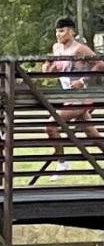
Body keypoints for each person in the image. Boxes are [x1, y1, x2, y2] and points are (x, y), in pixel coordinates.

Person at [43, 17, 102, 176]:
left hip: (80, 97)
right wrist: (48, 66)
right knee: (93, 136)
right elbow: (53, 72)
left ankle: (62, 162)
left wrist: (82, 81)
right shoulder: (56, 48)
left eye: (62, 30)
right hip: (68, 96)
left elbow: (99, 64)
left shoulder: (80, 49)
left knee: (50, 126)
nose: (58, 34)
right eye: (57, 31)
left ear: (71, 31)